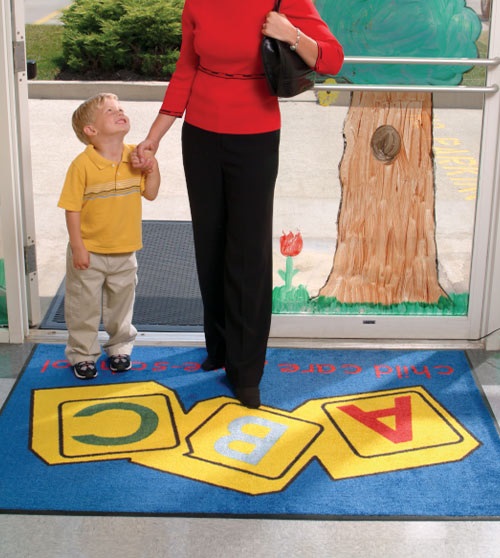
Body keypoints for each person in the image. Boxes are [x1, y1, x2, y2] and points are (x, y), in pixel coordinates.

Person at [134, 0, 343, 407]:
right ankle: (220, 347)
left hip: (255, 137)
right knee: (209, 243)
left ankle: (247, 370)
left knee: (247, 251)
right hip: (199, 135)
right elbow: (186, 68)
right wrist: (155, 135)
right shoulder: (196, 2)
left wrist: (291, 34)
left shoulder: (285, 1)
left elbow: (332, 59)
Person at [58, 93, 161, 380]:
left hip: (125, 250)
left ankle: (120, 347)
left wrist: (152, 168)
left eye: (120, 108)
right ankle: (82, 353)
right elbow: (72, 208)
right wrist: (78, 247)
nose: (120, 111)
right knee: (83, 306)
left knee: (121, 305)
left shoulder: (135, 156)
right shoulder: (82, 166)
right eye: (109, 110)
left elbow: (150, 193)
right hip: (89, 251)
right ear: (91, 131)